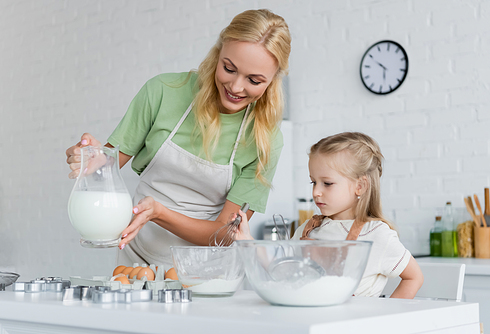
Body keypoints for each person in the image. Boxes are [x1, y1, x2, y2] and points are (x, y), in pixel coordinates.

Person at [65, 9, 292, 268]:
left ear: (273, 81)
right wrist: (90, 158)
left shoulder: (265, 141)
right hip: (134, 259)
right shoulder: (163, 92)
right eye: (229, 68)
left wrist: (160, 213)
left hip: (204, 270)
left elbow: (226, 234)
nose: (236, 87)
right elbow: (104, 169)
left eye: (254, 80)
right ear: (218, 53)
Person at [234, 132, 424, 298]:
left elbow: (414, 277)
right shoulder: (308, 229)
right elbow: (282, 268)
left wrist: (385, 317)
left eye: (327, 183)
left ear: (360, 186)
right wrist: (247, 240)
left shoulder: (376, 234)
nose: (316, 191)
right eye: (313, 182)